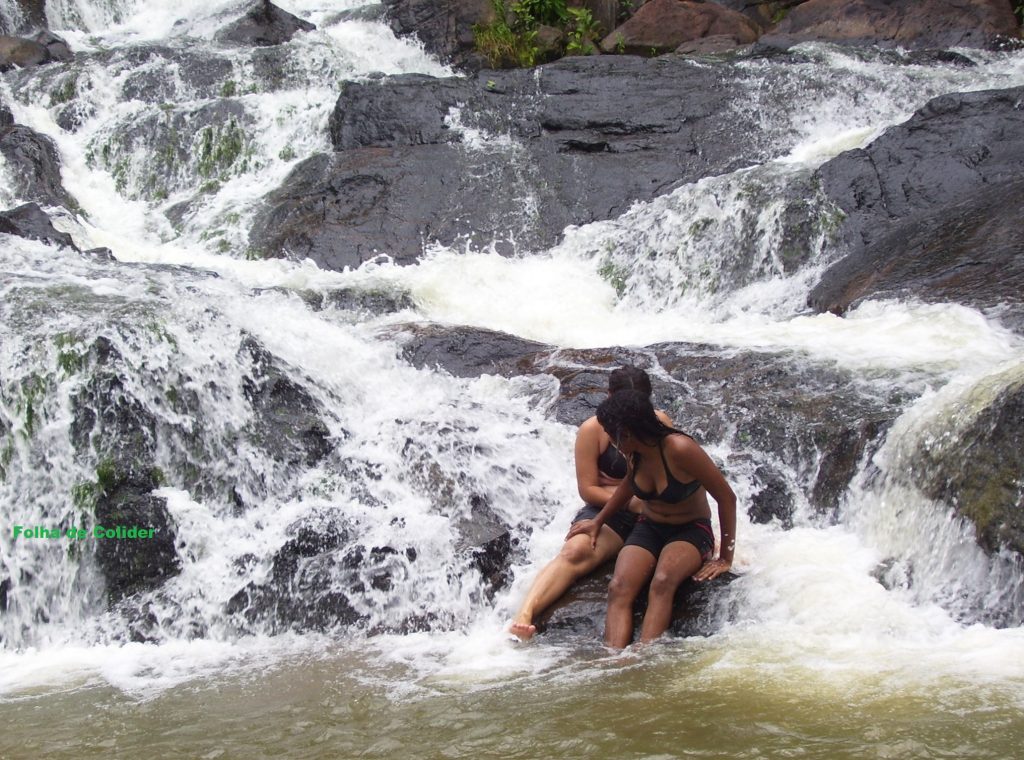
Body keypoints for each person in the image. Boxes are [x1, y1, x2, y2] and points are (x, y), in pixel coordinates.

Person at [508, 366, 672, 640]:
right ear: (609, 397)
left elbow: (675, 478)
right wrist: (629, 501)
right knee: (575, 551)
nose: (631, 412)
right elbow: (588, 489)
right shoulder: (592, 430)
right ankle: (525, 614)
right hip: (612, 510)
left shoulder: (660, 423)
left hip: (653, 507)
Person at [567, 388, 736, 648]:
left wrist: (725, 557)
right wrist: (598, 521)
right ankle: (613, 659)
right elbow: (628, 485)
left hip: (690, 530)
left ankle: (645, 657)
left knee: (662, 581)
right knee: (619, 587)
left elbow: (727, 498)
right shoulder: (634, 453)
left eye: (611, 434)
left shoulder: (681, 448)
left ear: (627, 432)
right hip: (649, 527)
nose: (610, 441)